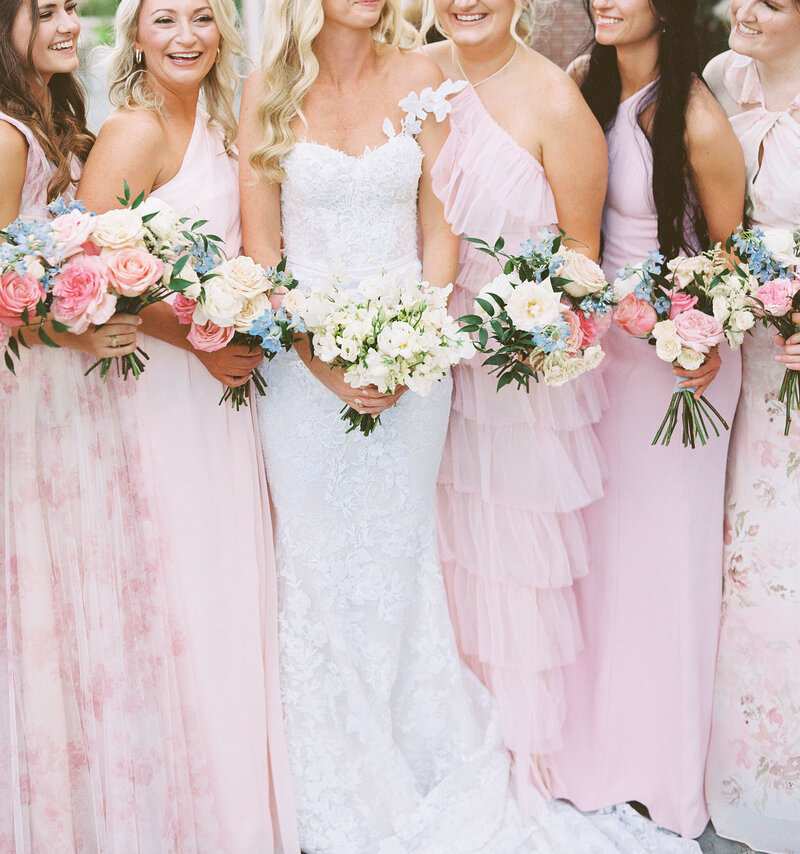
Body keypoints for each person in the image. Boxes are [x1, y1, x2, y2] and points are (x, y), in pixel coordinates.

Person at [239, 1, 702, 852]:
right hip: (301, 379)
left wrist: (411, 342)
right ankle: (326, 782)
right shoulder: (266, 88)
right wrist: (318, 357)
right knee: (313, 567)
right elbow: (263, 252)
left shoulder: (422, 77)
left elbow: (439, 227)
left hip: (417, 369)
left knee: (408, 562)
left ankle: (422, 756)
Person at [76, 0, 298, 849]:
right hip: (161, 392)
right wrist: (198, 339)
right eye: (164, 19)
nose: (185, 37)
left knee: (229, 580)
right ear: (135, 35)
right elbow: (91, 271)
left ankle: (236, 801)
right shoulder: (132, 132)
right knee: (180, 584)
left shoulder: (224, 123)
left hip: (224, 396)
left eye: (202, 17)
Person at [0, 0, 221, 848]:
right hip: (32, 391)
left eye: (70, 9)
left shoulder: (54, 120)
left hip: (73, 391)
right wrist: (63, 325)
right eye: (43, 11)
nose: (67, 25)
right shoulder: (9, 135)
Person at [545, 0, 746, 838]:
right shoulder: (579, 83)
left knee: (664, 562)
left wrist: (699, 337)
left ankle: (658, 767)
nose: (604, 3)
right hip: (599, 355)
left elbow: (734, 255)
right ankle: (586, 751)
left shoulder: (695, 113)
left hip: (676, 369)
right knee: (596, 557)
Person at [422, 0, 609, 805]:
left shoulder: (555, 103)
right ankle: (439, 733)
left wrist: (525, 324)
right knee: (435, 546)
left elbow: (581, 253)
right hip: (417, 357)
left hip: (513, 368)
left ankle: (515, 755)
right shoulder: (417, 72)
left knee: (507, 552)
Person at [703, 1, 800, 848]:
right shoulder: (721, 80)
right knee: (739, 552)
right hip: (744, 355)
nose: (743, 12)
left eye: (770, 2)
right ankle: (734, 761)